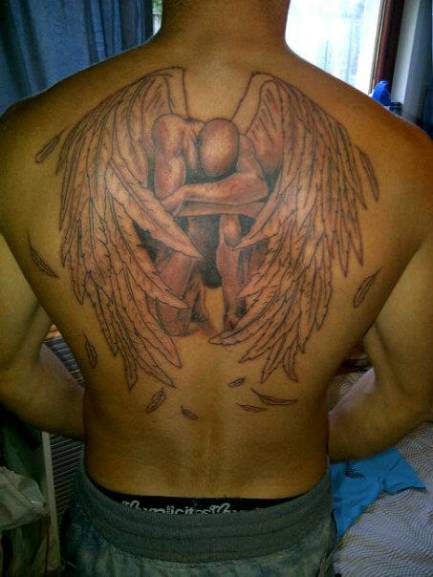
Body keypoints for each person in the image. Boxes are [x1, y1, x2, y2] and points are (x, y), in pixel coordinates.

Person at [0, 1, 432, 575]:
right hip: (282, 525)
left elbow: (9, 370)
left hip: (119, 521)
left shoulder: (23, 138)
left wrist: (116, 422)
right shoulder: (406, 160)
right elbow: (408, 393)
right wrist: (309, 437)